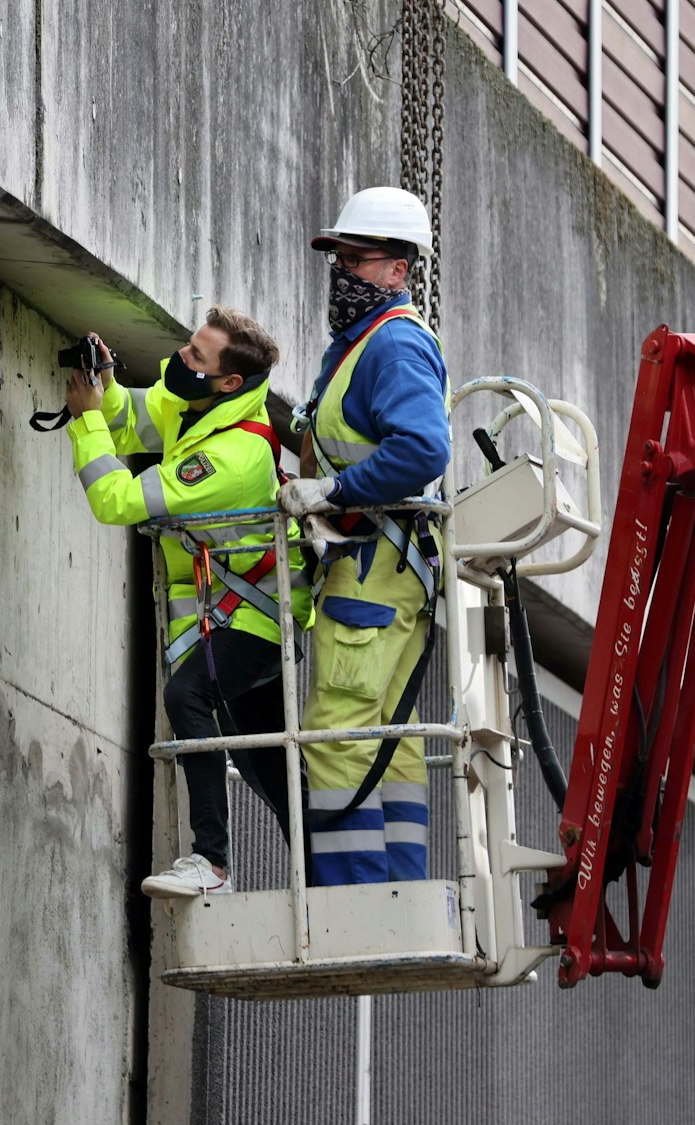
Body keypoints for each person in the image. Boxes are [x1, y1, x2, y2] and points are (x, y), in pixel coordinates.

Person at [64, 307, 308, 897]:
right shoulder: (197, 406)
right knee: (268, 767)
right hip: (237, 611)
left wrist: (83, 421)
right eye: (189, 346)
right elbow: (131, 421)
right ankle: (330, 870)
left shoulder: (232, 457)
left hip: (260, 615)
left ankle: (212, 864)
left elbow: (117, 501)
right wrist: (107, 385)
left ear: (228, 381)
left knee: (188, 694)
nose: (180, 359)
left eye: (197, 356)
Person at [277, 187, 450, 886]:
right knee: (390, 735)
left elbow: (422, 449)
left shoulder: (395, 343)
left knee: (337, 724)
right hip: (389, 563)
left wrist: (335, 491)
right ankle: (398, 889)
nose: (342, 272)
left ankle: (354, 902)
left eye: (356, 259)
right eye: (338, 259)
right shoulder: (359, 346)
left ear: (397, 270)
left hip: (374, 561)